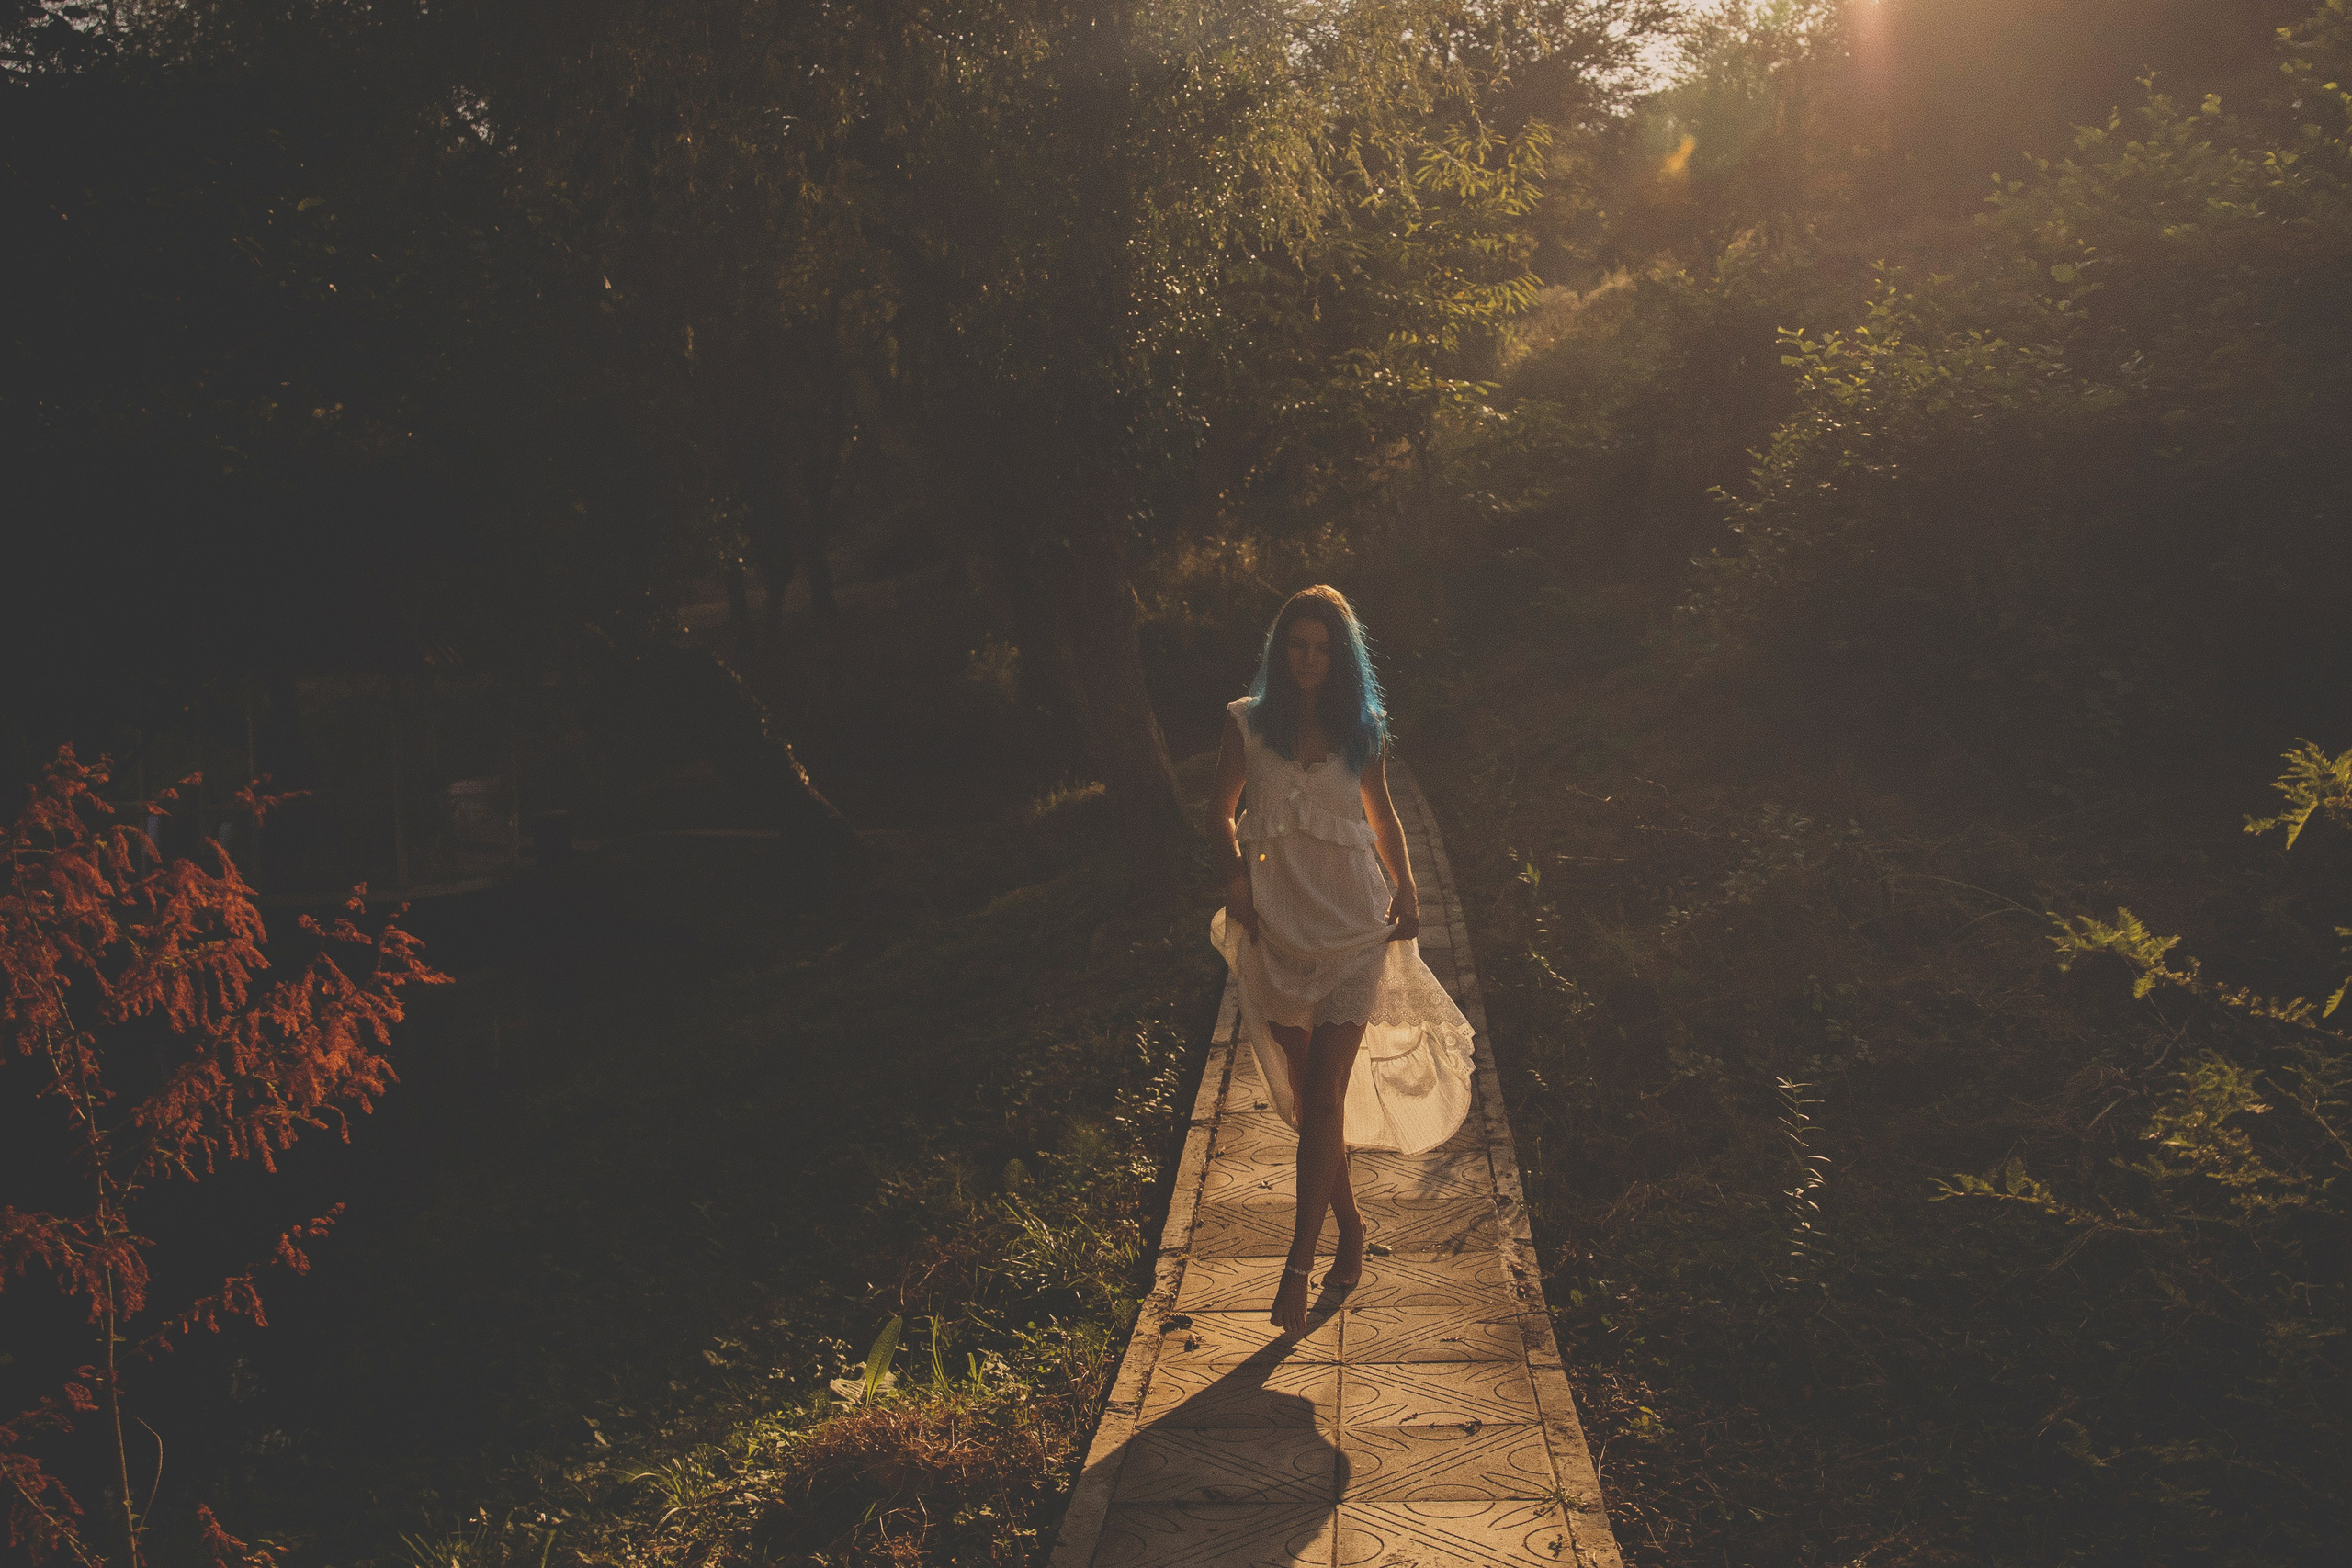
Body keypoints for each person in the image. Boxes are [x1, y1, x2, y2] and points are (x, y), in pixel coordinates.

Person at [1209, 585, 1476, 1334]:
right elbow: (1218, 810)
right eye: (1297, 645)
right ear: (1279, 650)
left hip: (1355, 925)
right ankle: (1352, 1226)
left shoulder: (1363, 731)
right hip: (1279, 929)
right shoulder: (1245, 724)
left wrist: (1410, 892)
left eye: (1323, 649)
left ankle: (1299, 1265)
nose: (1308, 660)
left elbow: (1382, 814)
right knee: (1306, 1097)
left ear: (1341, 657)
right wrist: (1235, 878)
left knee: (1324, 1089)